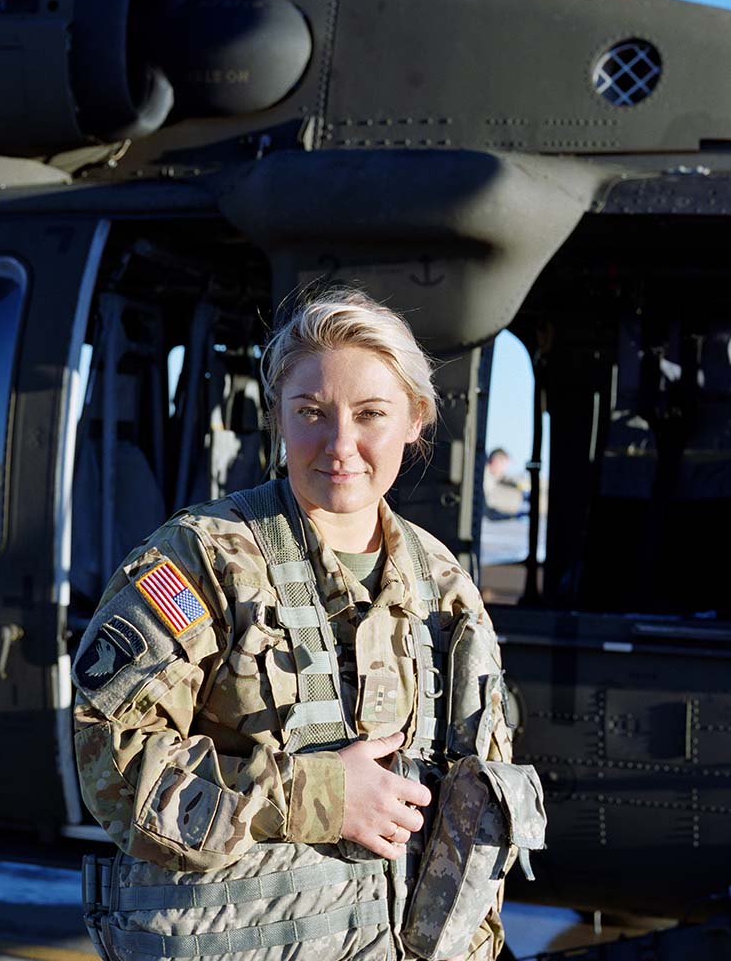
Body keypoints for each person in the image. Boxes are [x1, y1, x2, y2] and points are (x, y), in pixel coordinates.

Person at [73, 288, 543, 961]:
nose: (340, 446)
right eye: (312, 413)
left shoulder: (440, 584)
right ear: (280, 419)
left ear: (415, 419)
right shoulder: (203, 557)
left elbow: (481, 796)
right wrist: (316, 796)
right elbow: (110, 762)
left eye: (371, 415)